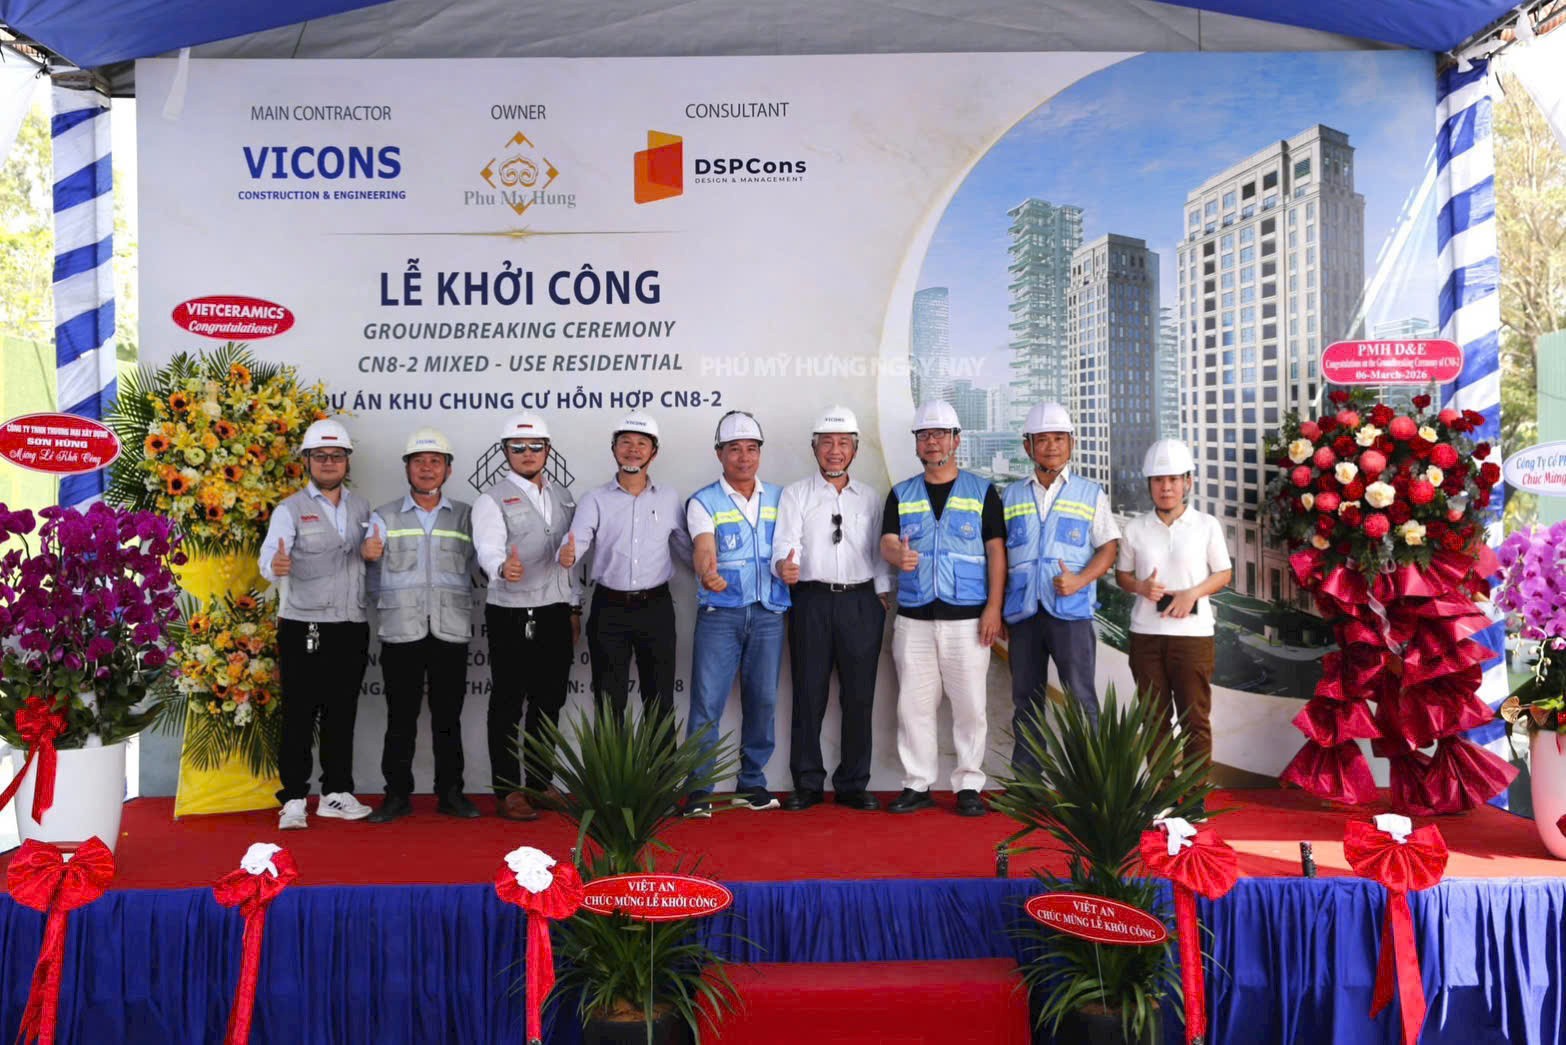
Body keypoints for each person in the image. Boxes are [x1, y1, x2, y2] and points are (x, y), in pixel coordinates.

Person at [879, 401, 1005, 817]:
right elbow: (887, 541)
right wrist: (897, 554)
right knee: (913, 707)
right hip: (914, 620)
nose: (931, 441)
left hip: (968, 621)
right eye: (924, 435)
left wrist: (994, 608)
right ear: (916, 443)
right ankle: (917, 784)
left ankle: (968, 784)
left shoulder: (982, 492)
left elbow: (996, 552)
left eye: (939, 434)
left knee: (970, 707)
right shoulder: (902, 493)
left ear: (956, 440)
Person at [771, 406, 892, 812]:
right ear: (814, 448)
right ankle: (807, 783)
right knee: (808, 694)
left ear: (855, 450)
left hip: (861, 601)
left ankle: (853, 783)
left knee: (859, 697)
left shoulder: (870, 497)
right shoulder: (796, 494)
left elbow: (878, 551)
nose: (835, 451)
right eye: (827, 443)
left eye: (843, 443)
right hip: (812, 600)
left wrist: (881, 593)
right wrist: (783, 566)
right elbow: (785, 542)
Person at [257, 417, 374, 830]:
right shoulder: (289, 509)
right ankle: (293, 798)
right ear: (306, 460)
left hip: (351, 623)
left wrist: (375, 553)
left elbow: (372, 556)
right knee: (300, 715)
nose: (328, 462)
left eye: (336, 455)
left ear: (347, 461)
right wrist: (275, 565)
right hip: (304, 624)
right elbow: (269, 556)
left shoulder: (362, 508)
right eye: (320, 455)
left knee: (341, 714)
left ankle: (335, 793)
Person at [362, 427, 480, 823]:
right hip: (401, 631)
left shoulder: (467, 515)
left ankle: (451, 794)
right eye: (418, 461)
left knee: (448, 718)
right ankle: (396, 796)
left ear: (448, 469)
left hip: (450, 629)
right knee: (400, 719)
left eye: (435, 461)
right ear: (407, 468)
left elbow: (482, 564)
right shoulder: (384, 516)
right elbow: (372, 577)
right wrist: (385, 608)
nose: (426, 468)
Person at [472, 412, 581, 821]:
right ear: (505, 452)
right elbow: (487, 548)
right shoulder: (491, 499)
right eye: (518, 447)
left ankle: (538, 783)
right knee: (507, 703)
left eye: (536, 446)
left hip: (555, 610)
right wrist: (501, 567)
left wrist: (574, 606)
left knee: (548, 702)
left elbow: (571, 560)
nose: (527, 453)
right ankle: (507, 790)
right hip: (511, 613)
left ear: (547, 450)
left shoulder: (563, 496)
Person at [683, 411, 790, 818]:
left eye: (751, 449)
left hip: (768, 614)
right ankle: (699, 789)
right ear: (719, 454)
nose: (744, 458)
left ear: (760, 452)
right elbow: (703, 546)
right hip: (721, 615)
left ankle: (752, 782)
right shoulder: (703, 501)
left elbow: (789, 546)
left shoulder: (781, 498)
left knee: (763, 700)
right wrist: (706, 571)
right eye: (734, 449)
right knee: (707, 703)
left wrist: (789, 568)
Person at [1002, 402, 1120, 770]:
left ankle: (1090, 781)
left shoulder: (1090, 493)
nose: (1051, 446)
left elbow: (1109, 548)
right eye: (1042, 439)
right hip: (1023, 615)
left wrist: (1080, 579)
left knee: (1081, 698)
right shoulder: (1010, 495)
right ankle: (1028, 783)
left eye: (1059, 438)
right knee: (1025, 701)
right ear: (1028, 446)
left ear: (1071, 443)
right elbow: (999, 556)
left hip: (1071, 613)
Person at [559, 411, 691, 717]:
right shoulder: (594, 499)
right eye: (625, 442)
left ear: (654, 452)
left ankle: (661, 754)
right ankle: (610, 754)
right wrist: (568, 554)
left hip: (656, 608)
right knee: (609, 702)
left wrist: (712, 570)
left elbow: (688, 550)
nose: (633, 449)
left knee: (660, 702)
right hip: (609, 610)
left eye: (642, 443)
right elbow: (577, 541)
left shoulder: (669, 498)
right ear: (614, 449)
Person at [1114, 438, 1232, 777]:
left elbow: (1223, 573)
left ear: (1188, 482)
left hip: (1193, 637)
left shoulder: (1206, 525)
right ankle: (1162, 793)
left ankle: (1193, 795)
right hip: (1146, 636)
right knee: (1154, 720)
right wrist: (1141, 587)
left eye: (1173, 479)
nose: (1165, 487)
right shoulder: (1135, 528)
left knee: (1195, 719)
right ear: (1149, 484)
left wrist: (1191, 594)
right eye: (1158, 480)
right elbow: (1122, 576)